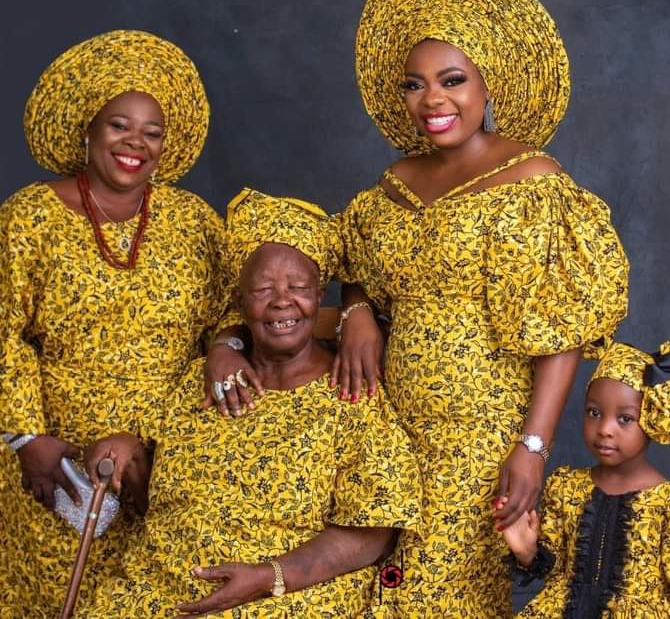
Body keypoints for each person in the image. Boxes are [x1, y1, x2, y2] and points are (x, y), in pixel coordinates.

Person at [331, 0, 630, 617]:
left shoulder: (533, 180)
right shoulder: (393, 185)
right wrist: (354, 310)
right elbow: (353, 268)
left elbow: (563, 331)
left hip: (482, 435)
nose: (433, 101)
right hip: (387, 424)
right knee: (373, 583)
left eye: (453, 80)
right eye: (415, 85)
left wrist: (532, 446)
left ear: (487, 84)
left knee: (452, 595)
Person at [79, 188, 422, 618]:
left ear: (319, 296)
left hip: (282, 595)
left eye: (298, 286)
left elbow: (375, 531)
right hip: (162, 584)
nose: (282, 300)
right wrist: (123, 447)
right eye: (263, 288)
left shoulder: (351, 393)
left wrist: (270, 575)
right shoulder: (202, 382)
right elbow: (159, 496)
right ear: (239, 302)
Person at [0, 30, 234, 616]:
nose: (137, 143)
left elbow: (228, 319)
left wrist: (224, 348)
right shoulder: (30, 217)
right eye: (119, 125)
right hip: (57, 467)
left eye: (152, 132)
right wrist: (26, 438)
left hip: (166, 460)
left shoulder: (192, 221)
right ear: (88, 128)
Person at [502, 340, 670, 617]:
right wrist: (526, 551)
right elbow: (555, 572)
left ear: (653, 419)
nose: (604, 429)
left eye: (625, 419)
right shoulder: (567, 487)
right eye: (594, 413)